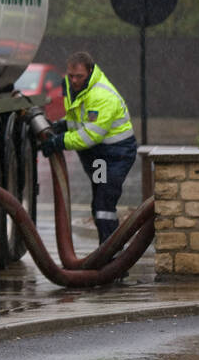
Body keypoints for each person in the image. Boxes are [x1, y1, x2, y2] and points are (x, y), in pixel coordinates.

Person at [39, 51, 137, 244]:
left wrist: (59, 142)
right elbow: (79, 119)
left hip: (114, 156)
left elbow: (90, 135)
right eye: (71, 75)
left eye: (79, 76)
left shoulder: (102, 96)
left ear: (90, 72)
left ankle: (113, 258)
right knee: (98, 201)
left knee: (104, 205)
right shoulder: (72, 87)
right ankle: (107, 256)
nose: (74, 80)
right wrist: (62, 124)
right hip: (99, 157)